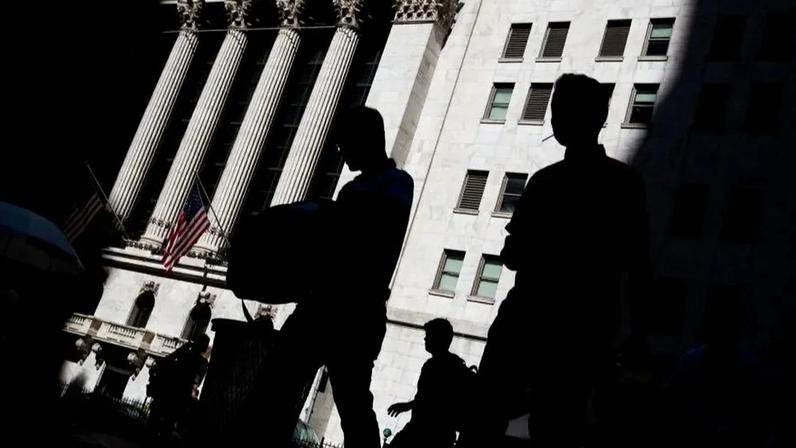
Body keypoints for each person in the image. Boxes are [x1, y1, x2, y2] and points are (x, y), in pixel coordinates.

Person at [459, 74, 651, 448]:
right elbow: (639, 266)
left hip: (530, 324)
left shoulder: (545, 182)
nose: (553, 118)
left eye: (558, 110)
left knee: (485, 424)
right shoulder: (625, 183)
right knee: (556, 429)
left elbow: (514, 255)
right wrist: (635, 334)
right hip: (585, 332)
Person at [252, 106, 414, 448]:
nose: (341, 151)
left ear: (367, 140)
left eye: (346, 143)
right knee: (276, 390)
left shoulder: (396, 183)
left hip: (352, 311)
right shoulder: (356, 190)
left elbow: (363, 232)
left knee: (352, 408)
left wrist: (325, 214)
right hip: (327, 305)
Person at [388, 319, 470, 448]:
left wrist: (409, 406)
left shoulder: (437, 366)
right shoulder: (448, 365)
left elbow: (433, 401)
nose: (425, 339)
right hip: (433, 434)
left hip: (425, 433)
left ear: (438, 339)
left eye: (428, 336)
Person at [148, 334, 210, 439]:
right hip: (178, 394)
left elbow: (168, 360)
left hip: (171, 391)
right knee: (166, 423)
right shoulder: (200, 361)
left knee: (159, 421)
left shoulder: (188, 355)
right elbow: (197, 381)